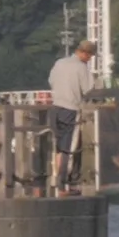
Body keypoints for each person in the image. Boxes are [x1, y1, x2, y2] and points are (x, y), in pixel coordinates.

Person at [46, 41, 97, 184]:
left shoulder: (59, 63)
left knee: (57, 144)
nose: (90, 59)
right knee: (68, 145)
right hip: (70, 109)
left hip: (55, 107)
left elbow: (51, 81)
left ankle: (54, 177)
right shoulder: (81, 67)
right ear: (85, 54)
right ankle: (63, 180)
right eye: (90, 56)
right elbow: (88, 90)